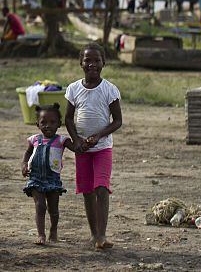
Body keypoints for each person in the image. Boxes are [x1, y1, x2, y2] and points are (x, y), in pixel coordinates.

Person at [64, 44, 123, 251]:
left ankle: (102, 234)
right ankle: (93, 234)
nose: (92, 64)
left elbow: (117, 121)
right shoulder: (73, 89)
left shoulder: (110, 89)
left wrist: (99, 135)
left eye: (96, 60)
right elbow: (68, 119)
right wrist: (77, 140)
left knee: (101, 188)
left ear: (103, 63)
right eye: (87, 60)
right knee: (88, 191)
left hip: (103, 148)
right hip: (82, 151)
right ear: (81, 63)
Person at [22, 103, 79, 245]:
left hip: (53, 180)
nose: (48, 125)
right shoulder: (34, 139)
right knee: (40, 206)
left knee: (53, 209)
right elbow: (28, 152)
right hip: (35, 178)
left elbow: (76, 148)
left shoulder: (61, 140)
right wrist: (24, 164)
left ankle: (53, 231)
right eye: (43, 122)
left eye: (52, 122)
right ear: (37, 124)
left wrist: (82, 144)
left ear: (59, 124)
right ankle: (41, 235)